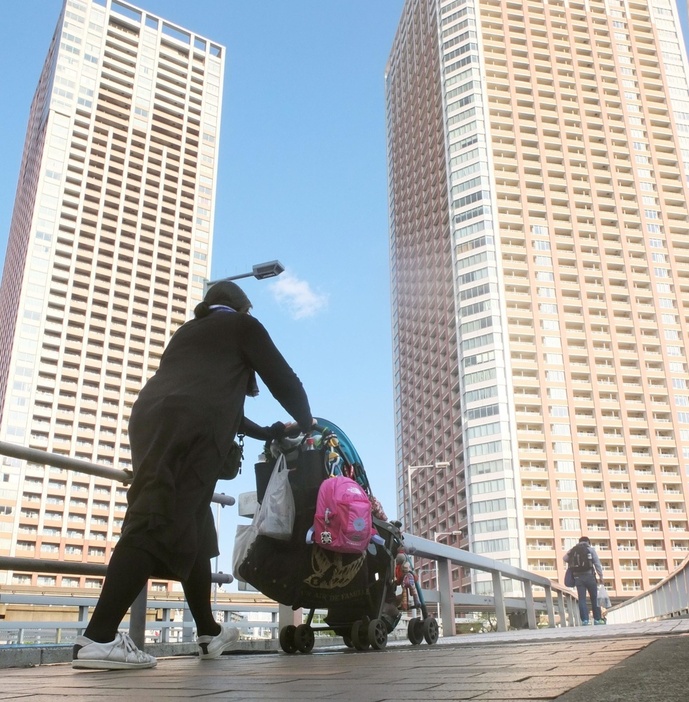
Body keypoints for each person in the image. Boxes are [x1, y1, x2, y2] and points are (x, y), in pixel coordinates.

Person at [73, 281, 313, 670]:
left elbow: (209, 395)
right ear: (241, 307)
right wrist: (306, 422)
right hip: (191, 427)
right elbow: (283, 379)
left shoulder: (187, 332)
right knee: (156, 516)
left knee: (195, 523)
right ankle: (97, 639)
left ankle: (208, 631)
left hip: (153, 419)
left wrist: (267, 432)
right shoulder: (242, 327)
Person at [564, 536, 605, 626]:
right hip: (590, 576)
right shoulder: (590, 549)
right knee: (594, 598)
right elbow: (597, 563)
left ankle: (585, 620)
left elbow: (565, 558)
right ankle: (597, 619)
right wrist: (601, 576)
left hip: (578, 578)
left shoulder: (573, 550)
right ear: (588, 542)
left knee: (582, 599)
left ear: (579, 542)